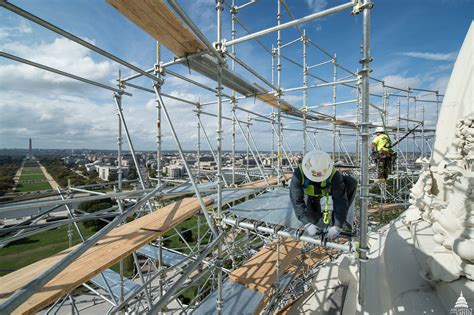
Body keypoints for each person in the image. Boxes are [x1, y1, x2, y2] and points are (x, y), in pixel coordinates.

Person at [290, 150, 357, 239]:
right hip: (311, 195)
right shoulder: (299, 174)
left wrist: (338, 225)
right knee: (314, 220)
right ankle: (316, 218)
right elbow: (296, 200)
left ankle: (337, 220)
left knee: (351, 182)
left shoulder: (334, 174)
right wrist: (307, 223)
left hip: (328, 190)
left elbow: (340, 200)